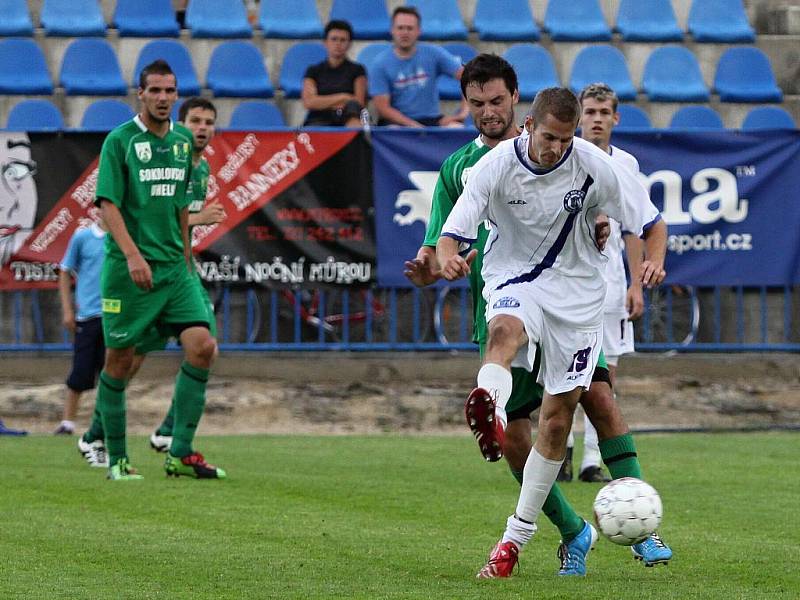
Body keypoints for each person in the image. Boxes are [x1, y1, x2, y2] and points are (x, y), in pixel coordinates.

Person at [436, 88, 668, 576]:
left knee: (558, 423)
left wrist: (654, 261)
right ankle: (489, 406)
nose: (556, 148)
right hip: (515, 280)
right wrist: (447, 256)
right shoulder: (496, 165)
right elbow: (452, 232)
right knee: (503, 329)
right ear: (528, 125)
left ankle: (519, 533)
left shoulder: (594, 165)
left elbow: (652, 223)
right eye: (548, 137)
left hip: (578, 300)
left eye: (566, 139)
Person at [405, 54, 615, 577]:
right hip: (504, 305)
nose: (487, 112)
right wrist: (435, 267)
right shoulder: (462, 167)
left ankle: (642, 525)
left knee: (598, 398)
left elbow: (603, 205)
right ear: (466, 105)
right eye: (476, 104)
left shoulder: (570, 153)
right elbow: (441, 245)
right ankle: (572, 528)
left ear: (516, 100)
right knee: (515, 439)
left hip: (567, 303)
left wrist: (603, 222)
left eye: (496, 101)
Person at [92, 59, 223, 480]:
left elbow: (182, 207)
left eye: (170, 91)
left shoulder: (184, 142)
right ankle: (117, 460)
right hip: (128, 272)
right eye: (156, 91)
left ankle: (179, 451)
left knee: (203, 346)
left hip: (174, 270)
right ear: (141, 93)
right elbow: (107, 203)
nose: (164, 98)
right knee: (119, 360)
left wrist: (185, 258)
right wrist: (132, 255)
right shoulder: (120, 141)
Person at [559, 83, 649, 484]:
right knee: (563, 371)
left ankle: (592, 460)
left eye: (603, 112)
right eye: (590, 112)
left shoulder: (626, 164)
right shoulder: (564, 156)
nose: (596, 119)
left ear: (615, 117)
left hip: (610, 283)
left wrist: (636, 284)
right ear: (580, 116)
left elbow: (634, 228)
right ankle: (560, 451)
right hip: (567, 281)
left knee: (604, 377)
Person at [369, 6, 468, 127]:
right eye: (400, 28)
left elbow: (469, 77)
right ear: (392, 30)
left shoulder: (433, 53)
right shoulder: (380, 63)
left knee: (457, 128)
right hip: (396, 123)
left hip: (432, 120)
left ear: (418, 31)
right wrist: (413, 125)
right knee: (392, 129)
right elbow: (382, 108)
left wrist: (463, 113)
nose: (405, 32)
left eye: (410, 28)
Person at [56, 218, 107, 437]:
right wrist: (68, 310)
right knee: (80, 371)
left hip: (115, 317)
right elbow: (65, 270)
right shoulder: (82, 237)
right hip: (87, 316)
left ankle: (104, 423)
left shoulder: (124, 236)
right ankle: (67, 422)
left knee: (112, 373)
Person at [302, 20, 367, 127]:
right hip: (318, 120)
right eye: (334, 39)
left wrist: (322, 102)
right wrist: (344, 97)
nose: (338, 44)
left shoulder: (358, 70)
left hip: (347, 119)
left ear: (349, 44)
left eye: (343, 40)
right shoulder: (313, 71)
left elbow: (358, 102)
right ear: (325, 42)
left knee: (353, 110)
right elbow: (309, 102)